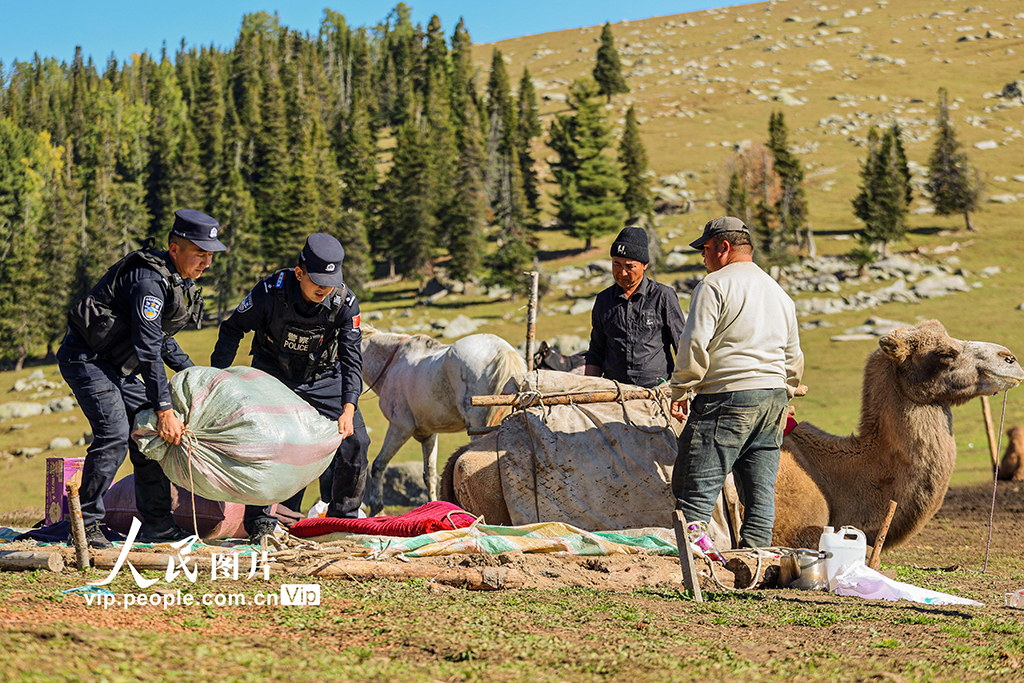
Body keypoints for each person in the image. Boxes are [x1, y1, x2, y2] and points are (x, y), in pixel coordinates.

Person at [57, 209, 225, 548]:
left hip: (121, 367)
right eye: (199, 254)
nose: (206, 262)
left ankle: (158, 525)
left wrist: (199, 378)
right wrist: (164, 409)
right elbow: (148, 348)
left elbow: (162, 340)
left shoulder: (178, 281)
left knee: (148, 434)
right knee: (115, 434)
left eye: (210, 255)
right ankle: (85, 525)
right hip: (88, 360)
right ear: (175, 249)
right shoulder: (148, 281)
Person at [211, 233, 370, 542]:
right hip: (274, 375)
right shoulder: (270, 292)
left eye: (331, 281)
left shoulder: (345, 302)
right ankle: (261, 523)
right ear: (299, 274)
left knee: (356, 441)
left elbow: (352, 360)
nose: (324, 289)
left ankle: (342, 521)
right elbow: (232, 330)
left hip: (324, 376)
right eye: (317, 281)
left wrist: (349, 408)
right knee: (264, 441)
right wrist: (217, 381)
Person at [669, 216, 804, 549]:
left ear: (723, 248)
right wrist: (786, 390)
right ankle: (754, 561)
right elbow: (794, 357)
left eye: (705, 250)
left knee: (694, 487)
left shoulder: (714, 285)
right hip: (772, 398)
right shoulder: (779, 293)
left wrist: (681, 388)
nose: (703, 258)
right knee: (759, 495)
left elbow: (694, 343)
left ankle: (699, 566)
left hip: (726, 395)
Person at [584, 225, 686, 388]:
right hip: (614, 391)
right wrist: (588, 389)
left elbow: (682, 345)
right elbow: (596, 350)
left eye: (629, 266)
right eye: (617, 264)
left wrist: (683, 388)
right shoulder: (603, 300)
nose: (622, 272)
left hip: (656, 391)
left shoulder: (662, 296)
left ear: (644, 265)